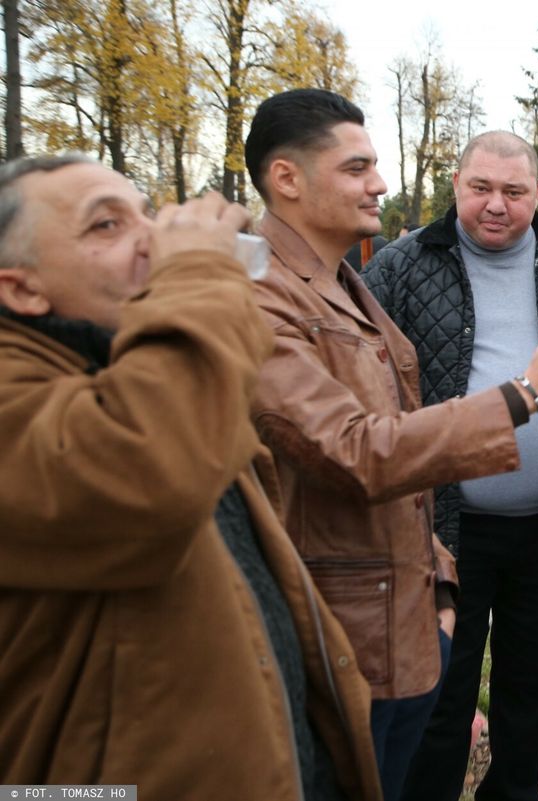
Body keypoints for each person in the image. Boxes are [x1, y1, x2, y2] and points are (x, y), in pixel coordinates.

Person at [242, 90, 538, 801]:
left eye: (514, 191)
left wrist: (429, 577)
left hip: (494, 545)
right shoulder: (362, 273)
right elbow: (355, 447)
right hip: (384, 574)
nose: (379, 182)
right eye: (358, 168)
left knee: (525, 694)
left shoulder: (346, 281)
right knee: (430, 723)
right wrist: (525, 393)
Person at [0, 155, 380, 799]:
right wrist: (199, 274)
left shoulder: (132, 369)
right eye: (105, 226)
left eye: (146, 213)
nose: (154, 237)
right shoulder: (36, 397)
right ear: (21, 289)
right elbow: (154, 477)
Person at [363, 131, 538, 801]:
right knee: (440, 696)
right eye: (481, 188)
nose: (496, 205)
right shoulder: (403, 265)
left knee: (531, 693)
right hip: (442, 530)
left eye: (514, 192)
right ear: (456, 185)